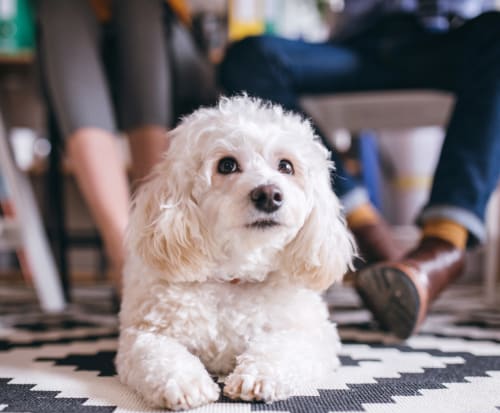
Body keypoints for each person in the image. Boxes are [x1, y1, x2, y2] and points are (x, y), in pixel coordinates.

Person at [219, 0, 500, 339]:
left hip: (451, 39)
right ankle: (366, 231)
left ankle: (442, 249)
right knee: (249, 57)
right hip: (360, 45)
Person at [36, 0, 216, 292]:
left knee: (139, 8)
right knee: (61, 8)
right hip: (72, 39)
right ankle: (125, 254)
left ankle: (158, 239)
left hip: (167, 47)